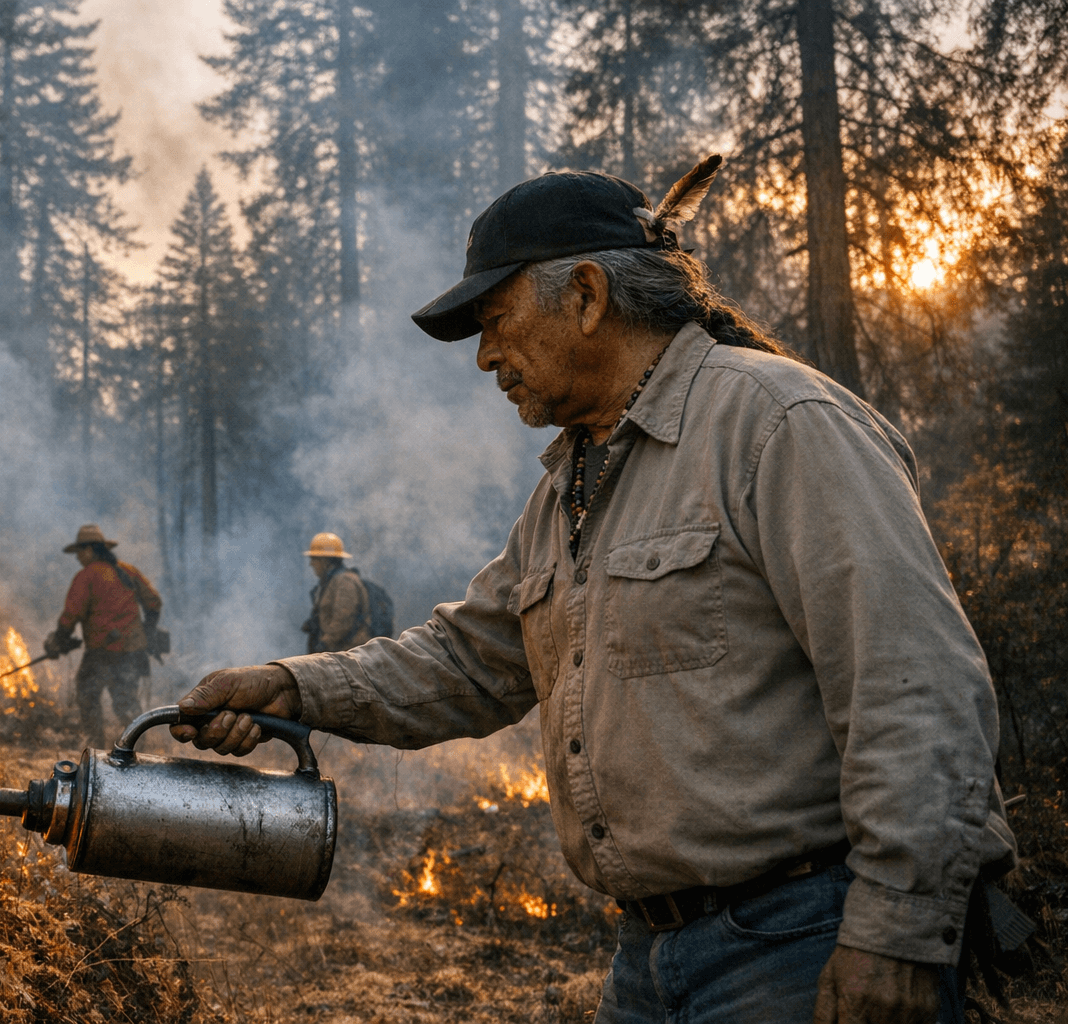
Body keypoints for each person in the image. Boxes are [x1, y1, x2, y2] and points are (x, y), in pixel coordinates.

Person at [169, 159, 1016, 1024]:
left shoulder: (780, 424)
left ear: (584, 295)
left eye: (496, 322)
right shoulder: (570, 486)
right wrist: (293, 686)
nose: (487, 357)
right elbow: (469, 661)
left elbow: (916, 688)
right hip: (650, 962)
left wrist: (898, 931)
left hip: (805, 945)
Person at [48, 524, 162, 745]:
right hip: (132, 652)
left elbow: (71, 614)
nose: (78, 557)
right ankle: (139, 751)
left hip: (101, 652)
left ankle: (95, 746)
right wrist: (148, 630)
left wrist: (59, 639)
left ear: (90, 550)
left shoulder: (86, 576)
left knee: (88, 696)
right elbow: (154, 602)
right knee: (127, 703)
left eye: (80, 552)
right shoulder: (128, 572)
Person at [300, 532, 372, 653]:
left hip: (350, 656)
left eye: (314, 559)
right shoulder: (331, 582)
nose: (311, 564)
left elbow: (344, 619)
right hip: (339, 655)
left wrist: (325, 643)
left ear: (326, 561)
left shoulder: (345, 582)